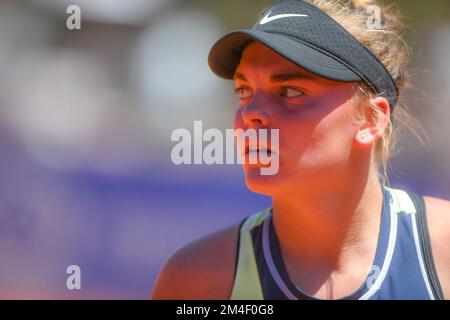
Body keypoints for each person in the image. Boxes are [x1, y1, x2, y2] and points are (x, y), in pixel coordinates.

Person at [151, 0, 450, 300]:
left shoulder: (443, 250)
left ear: (371, 118)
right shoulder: (197, 280)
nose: (250, 113)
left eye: (291, 92)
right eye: (244, 91)